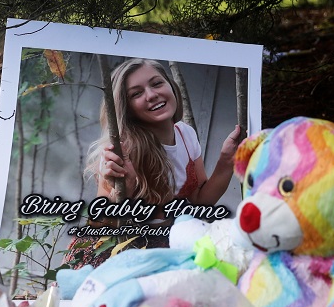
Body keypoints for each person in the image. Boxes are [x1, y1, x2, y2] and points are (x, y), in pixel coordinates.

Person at [86, 58, 243, 209]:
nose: (152, 95)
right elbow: (100, 225)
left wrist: (227, 159)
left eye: (157, 83)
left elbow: (200, 200)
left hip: (175, 233)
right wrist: (123, 192)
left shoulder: (186, 134)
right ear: (127, 108)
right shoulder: (121, 150)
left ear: (171, 86)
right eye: (136, 93)